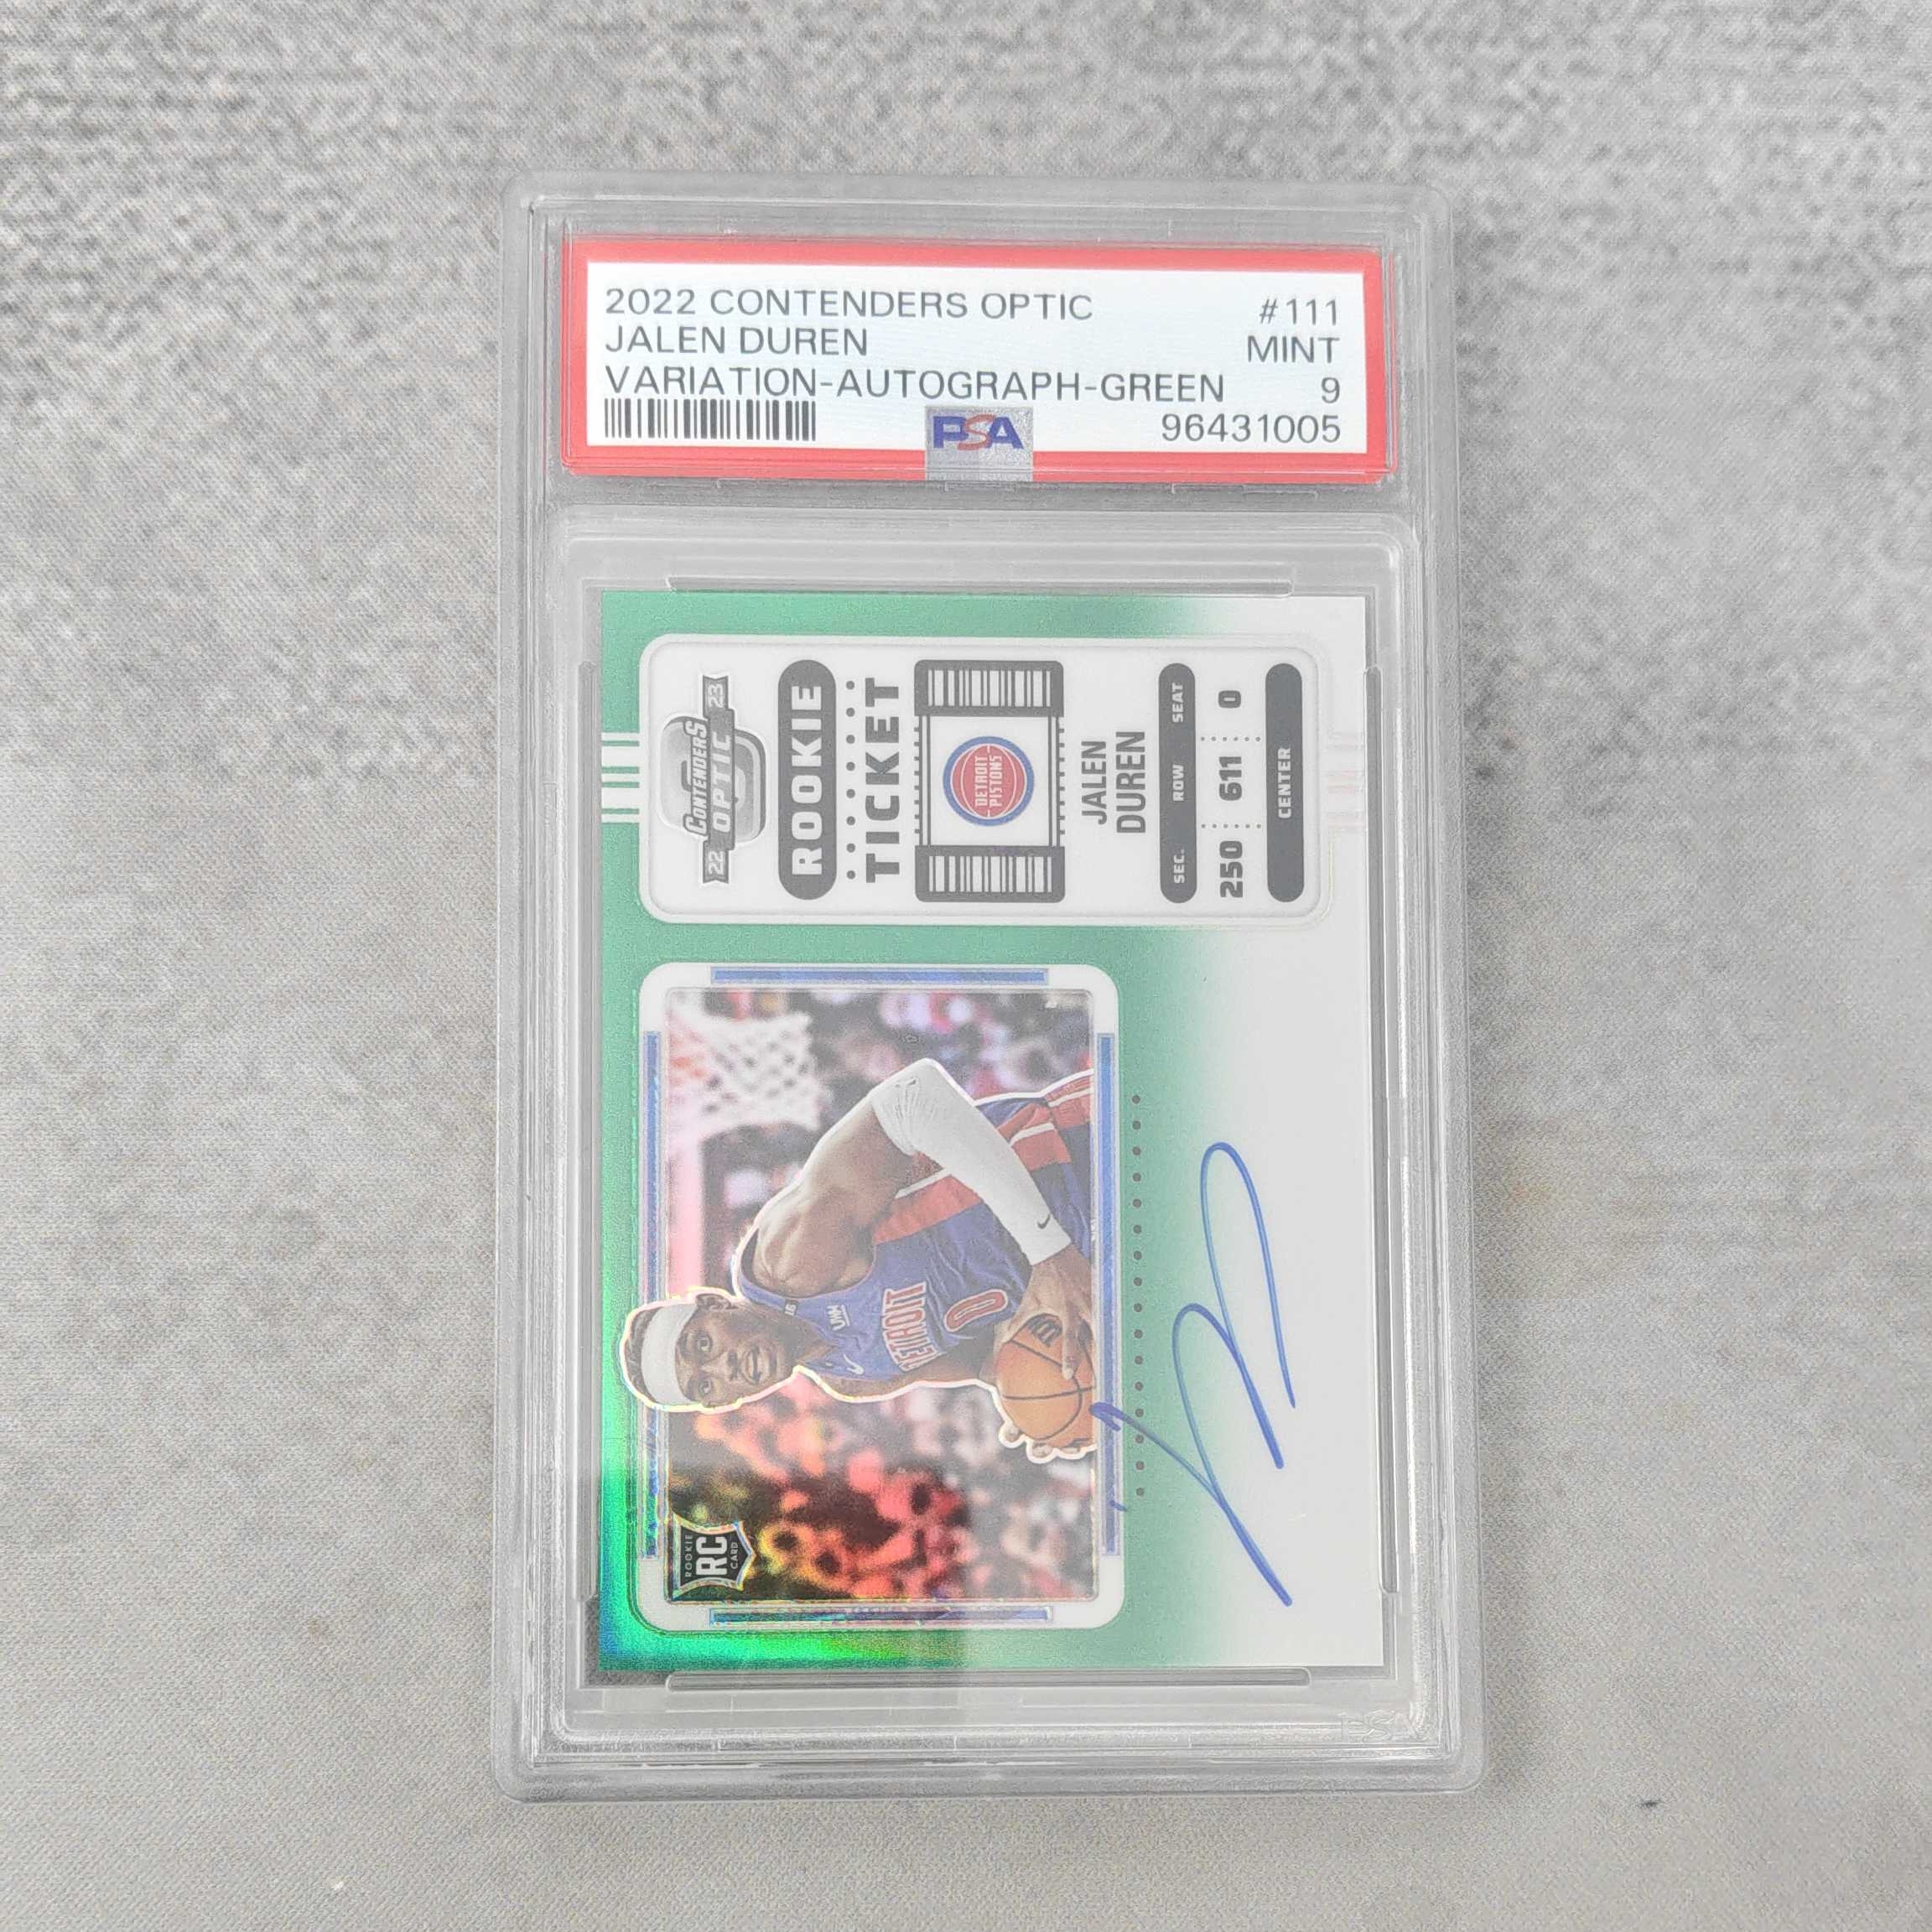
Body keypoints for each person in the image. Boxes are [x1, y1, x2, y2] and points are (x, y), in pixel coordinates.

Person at [618, 1057, 1095, 1461]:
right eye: (705, 1387)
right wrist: (1037, 1401)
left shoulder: (789, 1260)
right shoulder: (853, 1380)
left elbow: (912, 1096)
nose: (723, 1369)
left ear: (713, 1303)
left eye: (702, 1345)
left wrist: (1048, 1251)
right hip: (1101, 1262)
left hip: (1087, 1151)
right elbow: (988, 1360)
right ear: (722, 1404)